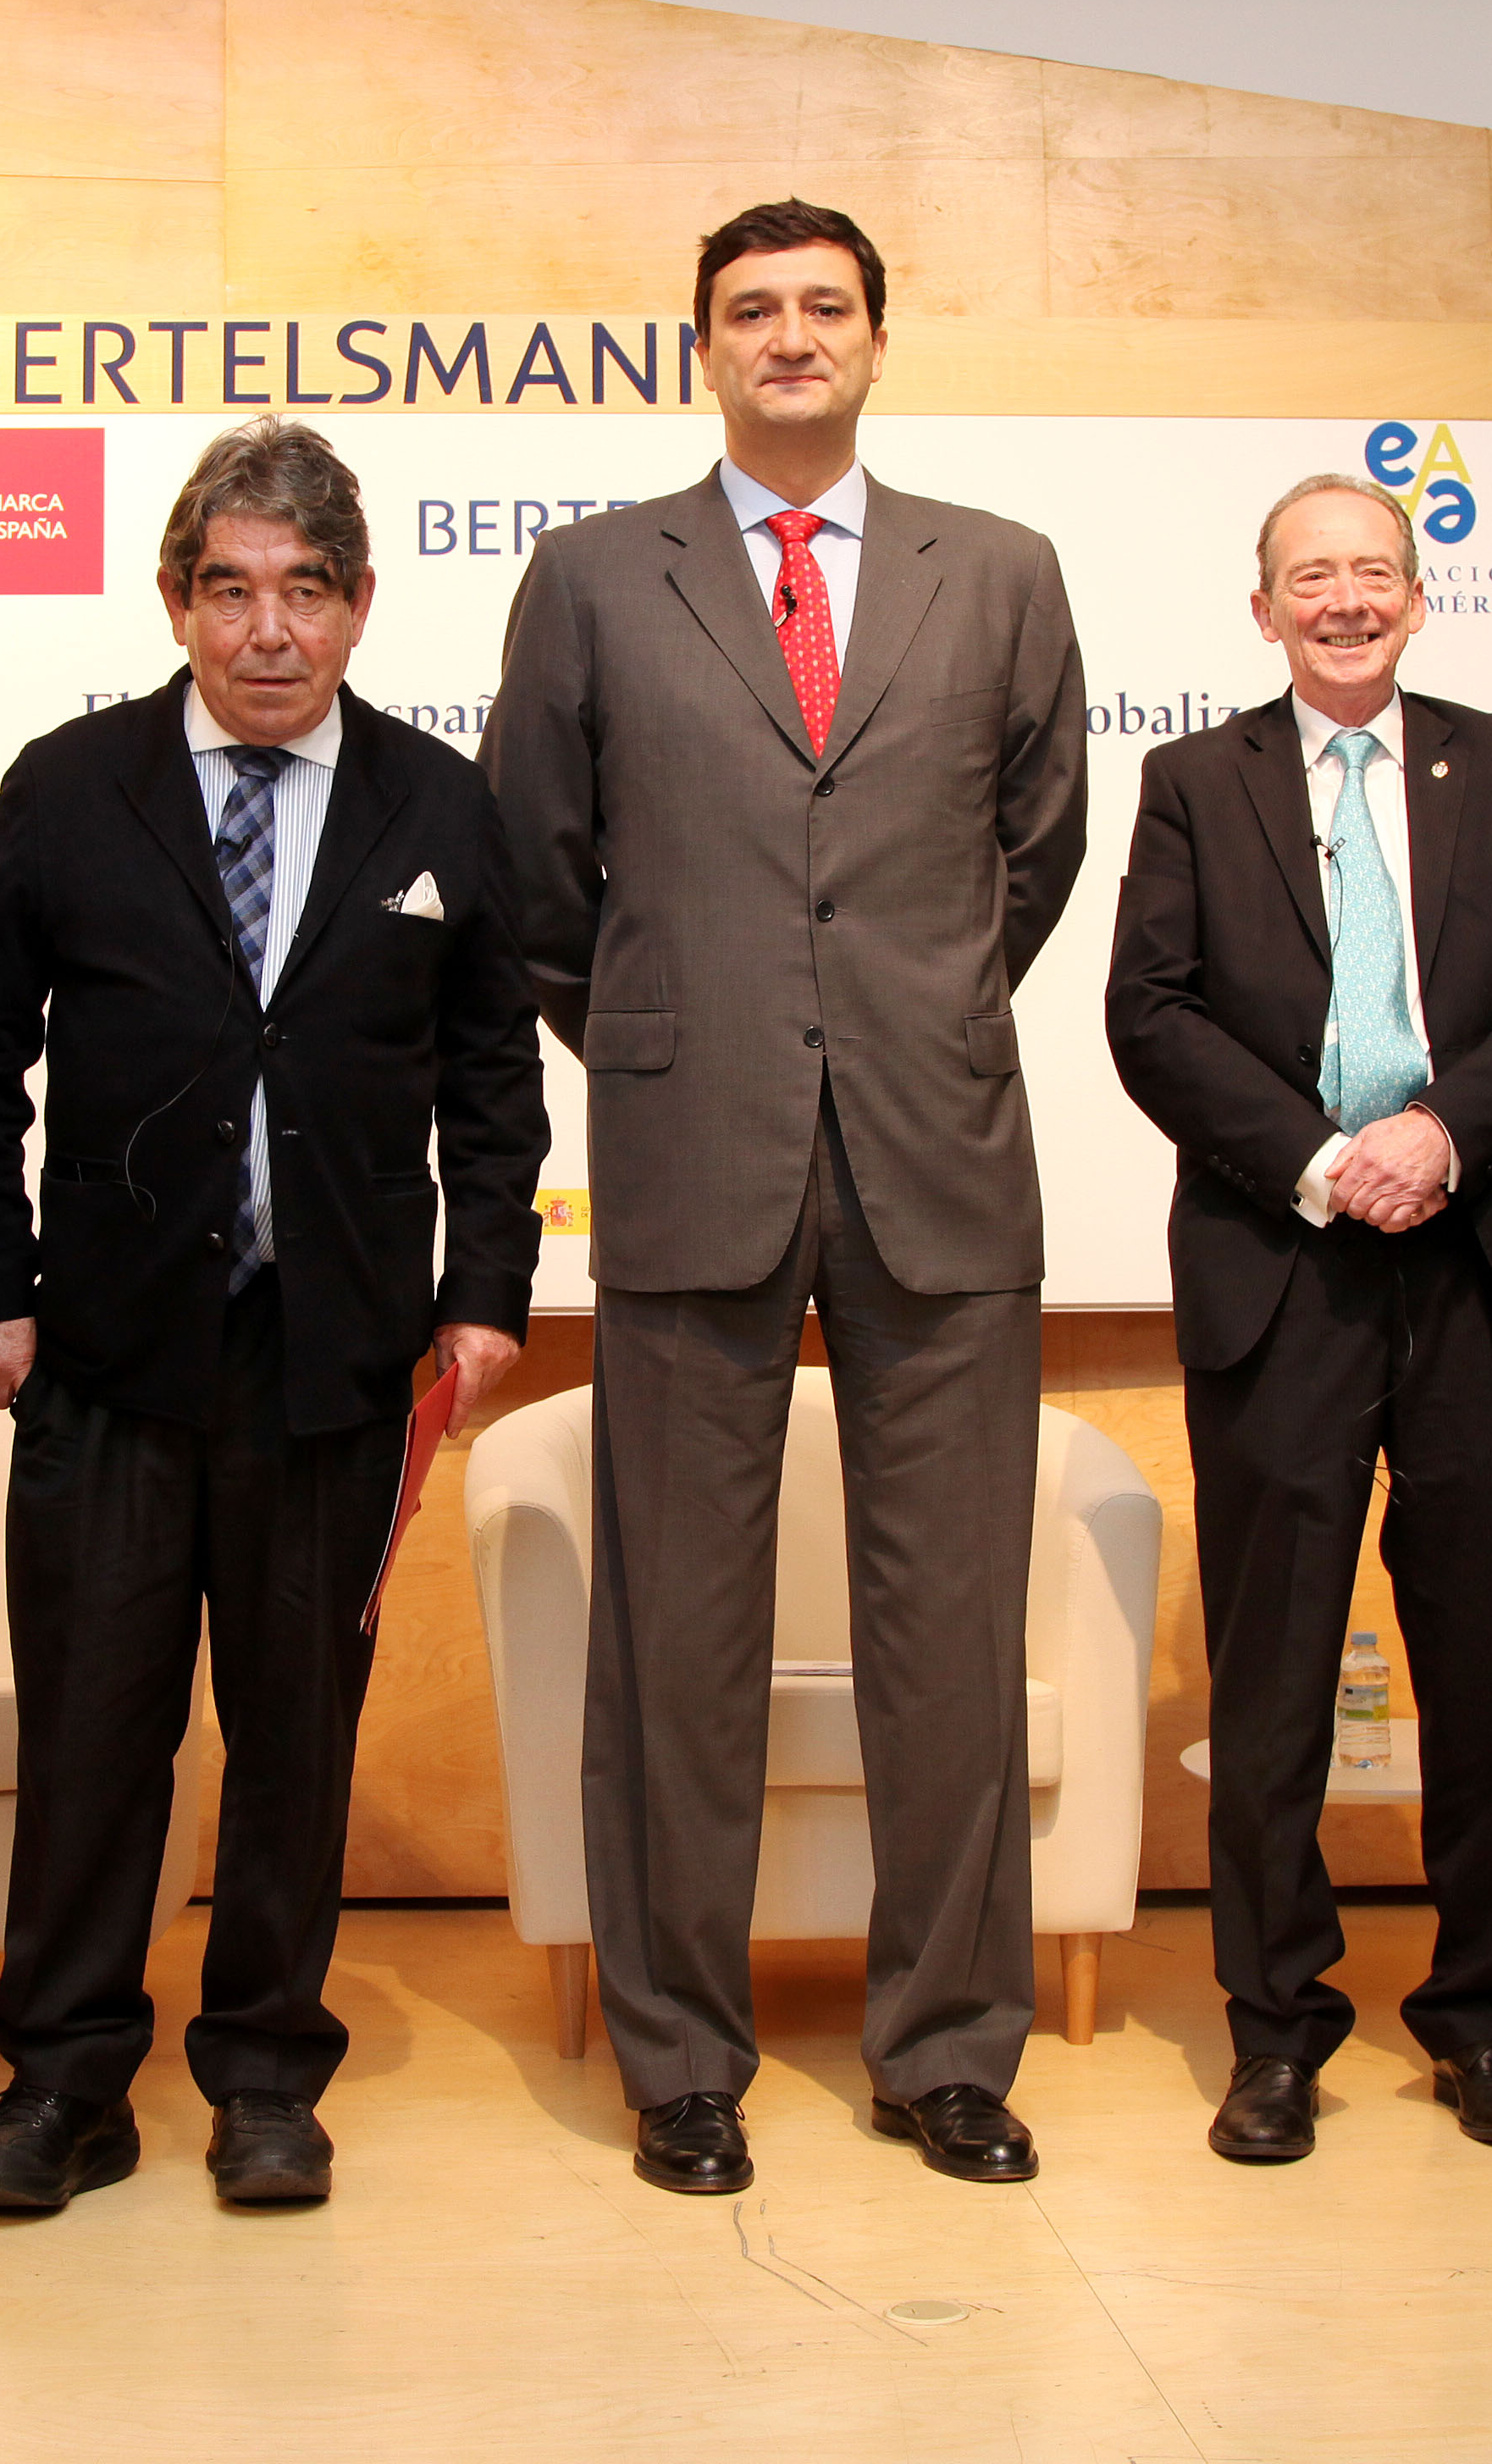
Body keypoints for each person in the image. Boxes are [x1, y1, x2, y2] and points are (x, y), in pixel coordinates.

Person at [481, 201, 1088, 2191]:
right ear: (706, 350)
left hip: (940, 1154)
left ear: (879, 341)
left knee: (950, 1636)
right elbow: (536, 868)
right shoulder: (593, 576)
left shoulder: (999, 573)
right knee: (676, 1636)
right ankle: (680, 2059)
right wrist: (672, 1033)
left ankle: (950, 2053)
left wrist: (911, 1009)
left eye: (827, 305)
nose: (792, 334)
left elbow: (1035, 847)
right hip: (691, 1151)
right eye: (753, 310)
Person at [0, 420, 546, 2215]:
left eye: (305, 592)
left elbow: (494, 1078)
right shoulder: (72, 784)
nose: (269, 630)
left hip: (333, 1356)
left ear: (360, 605)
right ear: (176, 601)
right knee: (92, 1735)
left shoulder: (441, 805)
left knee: (292, 1739)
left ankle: (268, 2075)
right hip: (109, 1353)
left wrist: (483, 1294)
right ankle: (63, 2082)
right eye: (231, 589)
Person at [1103, 472, 1492, 2164]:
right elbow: (1152, 1016)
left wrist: (1443, 1135)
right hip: (1283, 1264)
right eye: (1310, 576)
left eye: (1373, 571)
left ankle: (1482, 2022)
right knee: (1272, 1682)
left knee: (1477, 1667)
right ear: (1263, 610)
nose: (1345, 599)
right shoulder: (1196, 781)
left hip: (1476, 1259)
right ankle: (1275, 2030)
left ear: (1417, 594)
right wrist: (1329, 1163)